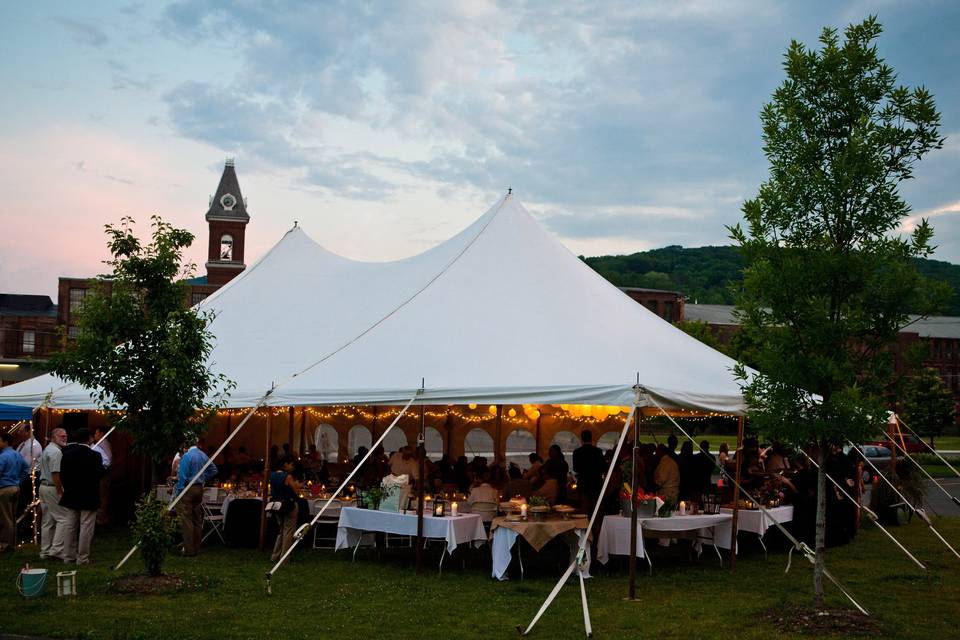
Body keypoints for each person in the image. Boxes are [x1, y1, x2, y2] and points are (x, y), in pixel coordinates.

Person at [60, 428, 105, 564]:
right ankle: (82, 557)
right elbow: (100, 474)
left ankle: (68, 556)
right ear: (90, 439)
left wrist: (67, 488)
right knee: (86, 527)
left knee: (70, 525)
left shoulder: (66, 454)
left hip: (71, 493)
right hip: (88, 494)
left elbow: (63, 474)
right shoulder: (94, 455)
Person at [174, 439, 218, 557]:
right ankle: (197, 547)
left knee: (186, 520)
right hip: (199, 489)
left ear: (186, 447)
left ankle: (189, 550)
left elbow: (182, 477)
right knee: (197, 520)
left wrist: (178, 492)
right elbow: (214, 470)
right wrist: (203, 478)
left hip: (188, 488)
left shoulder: (187, 456)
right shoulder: (203, 454)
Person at [38, 428, 69, 560]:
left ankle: (45, 551)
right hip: (52, 487)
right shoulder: (56, 452)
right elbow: (55, 473)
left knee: (47, 520)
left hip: (43, 486)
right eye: (61, 436)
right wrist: (59, 490)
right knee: (64, 518)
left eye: (65, 436)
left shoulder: (47, 449)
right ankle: (57, 549)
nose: (65, 438)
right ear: (53, 438)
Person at [270, 455, 302, 562]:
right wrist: (297, 484)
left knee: (281, 530)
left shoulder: (272, 475)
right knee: (288, 531)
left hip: (276, 504)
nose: (292, 466)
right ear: (285, 465)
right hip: (288, 504)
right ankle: (284, 557)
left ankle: (275, 556)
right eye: (291, 464)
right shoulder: (288, 477)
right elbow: (296, 492)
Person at [0, 432, 29, 552]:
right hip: (15, 487)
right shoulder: (17, 454)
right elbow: (26, 468)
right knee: (12, 516)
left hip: (4, 488)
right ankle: (12, 542)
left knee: (4, 517)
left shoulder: (3, 456)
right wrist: (18, 481)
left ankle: (5, 544)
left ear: (5, 442)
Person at [572, 430, 605, 511]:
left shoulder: (577, 452)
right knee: (596, 506)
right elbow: (603, 467)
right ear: (591, 438)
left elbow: (575, 468)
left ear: (581, 439)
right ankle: (596, 522)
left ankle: (584, 522)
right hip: (596, 482)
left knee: (584, 505)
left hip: (583, 482)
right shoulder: (598, 451)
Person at [92, 427, 112, 526]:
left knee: (103, 496)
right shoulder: (101, 443)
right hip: (103, 473)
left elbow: (107, 460)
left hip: (103, 474)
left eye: (96, 433)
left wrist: (101, 470)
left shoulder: (102, 443)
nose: (95, 435)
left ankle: (102, 518)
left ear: (101, 433)